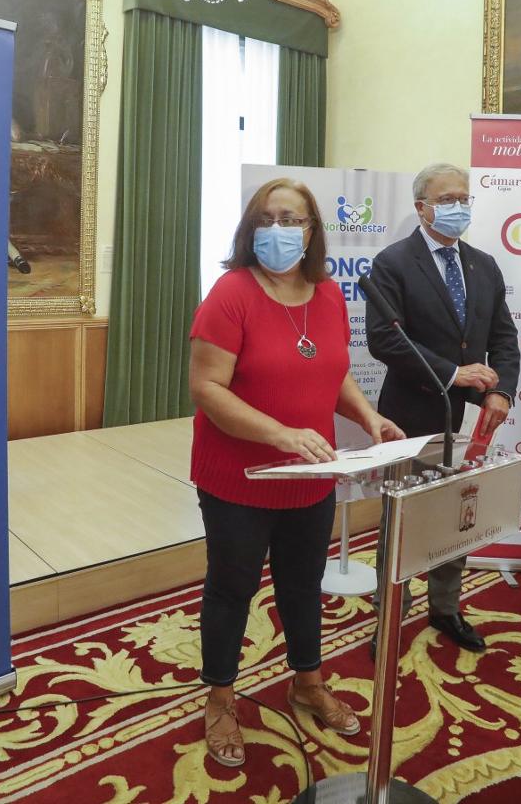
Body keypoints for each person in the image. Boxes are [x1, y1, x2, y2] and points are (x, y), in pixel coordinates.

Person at [189, 177, 404, 767]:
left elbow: (331, 372)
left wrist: (367, 415)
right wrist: (280, 435)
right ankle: (221, 696)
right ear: (252, 226)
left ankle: (306, 682)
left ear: (312, 231)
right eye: (270, 217)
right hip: (240, 477)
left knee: (303, 584)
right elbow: (206, 387)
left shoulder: (327, 294)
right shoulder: (230, 293)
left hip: (312, 475)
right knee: (232, 588)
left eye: (295, 219)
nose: (282, 229)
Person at [365, 163, 520, 655]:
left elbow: (504, 338)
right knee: (404, 519)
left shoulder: (484, 264)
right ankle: (389, 614)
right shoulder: (393, 262)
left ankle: (446, 608)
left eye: (463, 198)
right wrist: (454, 374)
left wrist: (501, 391)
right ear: (422, 207)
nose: (459, 207)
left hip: (472, 420)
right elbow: (385, 338)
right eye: (447, 199)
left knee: (457, 516)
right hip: (410, 418)